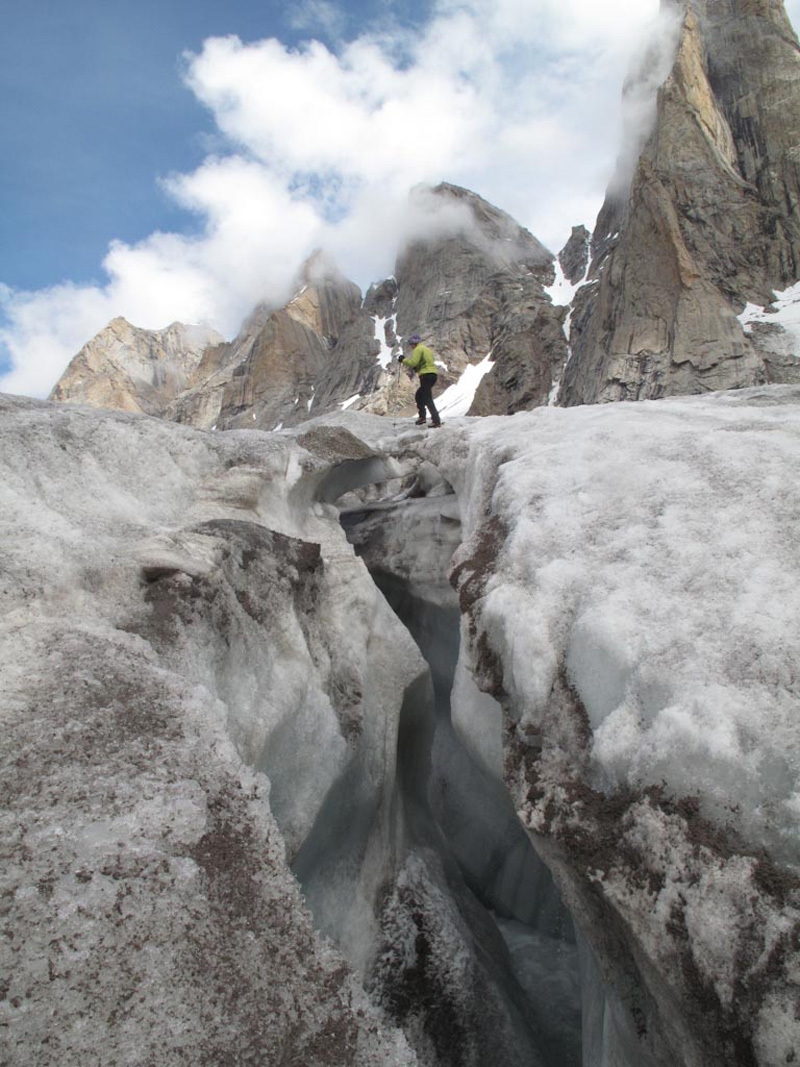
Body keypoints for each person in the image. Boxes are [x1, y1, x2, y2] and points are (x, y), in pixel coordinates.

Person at [398, 334, 442, 427]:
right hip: (432, 374)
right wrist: (418, 368)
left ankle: (436, 420)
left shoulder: (418, 349)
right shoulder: (427, 349)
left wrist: (403, 360)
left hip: (425, 375)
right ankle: (422, 417)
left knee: (427, 398)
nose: (411, 346)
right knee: (419, 395)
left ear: (413, 343)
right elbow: (426, 362)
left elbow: (413, 362)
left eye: (411, 345)